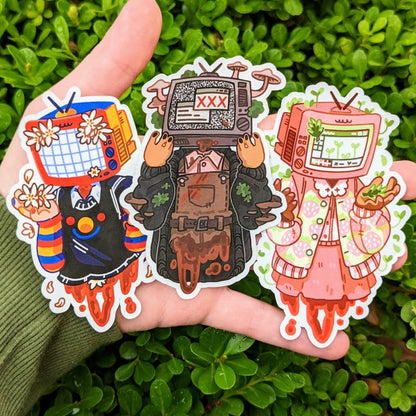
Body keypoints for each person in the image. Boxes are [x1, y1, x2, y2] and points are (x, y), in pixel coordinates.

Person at [0, 1, 414, 415]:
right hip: (169, 252)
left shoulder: (241, 161)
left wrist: (255, 169)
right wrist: (154, 166)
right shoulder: (159, 164)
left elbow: (255, 209)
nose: (203, 136)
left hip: (227, 249)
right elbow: (147, 207)